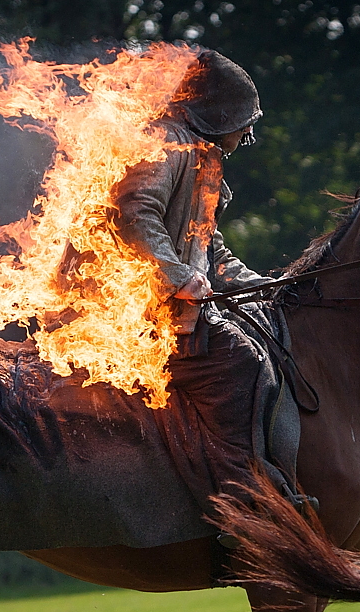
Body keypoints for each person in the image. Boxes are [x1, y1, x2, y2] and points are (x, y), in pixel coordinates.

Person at [110, 49, 277, 493]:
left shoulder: (202, 159)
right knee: (242, 362)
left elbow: (209, 250)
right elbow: (135, 214)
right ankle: (239, 496)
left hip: (172, 312)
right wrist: (178, 278)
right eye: (245, 122)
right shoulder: (166, 144)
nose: (247, 133)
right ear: (221, 117)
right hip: (136, 317)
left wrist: (266, 287)